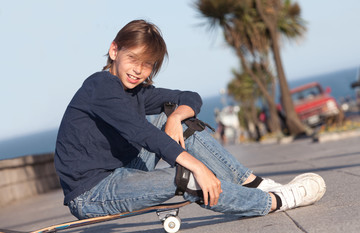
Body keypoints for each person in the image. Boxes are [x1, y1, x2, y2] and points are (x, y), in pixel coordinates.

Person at [54, 20, 326, 221]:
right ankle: (275, 200)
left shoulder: (135, 91)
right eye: (132, 58)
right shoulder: (101, 86)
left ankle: (253, 183)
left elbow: (189, 96)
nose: (138, 70)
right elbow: (141, 133)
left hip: (125, 169)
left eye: (147, 64)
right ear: (114, 51)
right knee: (187, 176)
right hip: (92, 193)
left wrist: (175, 117)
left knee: (179, 118)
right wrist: (199, 167)